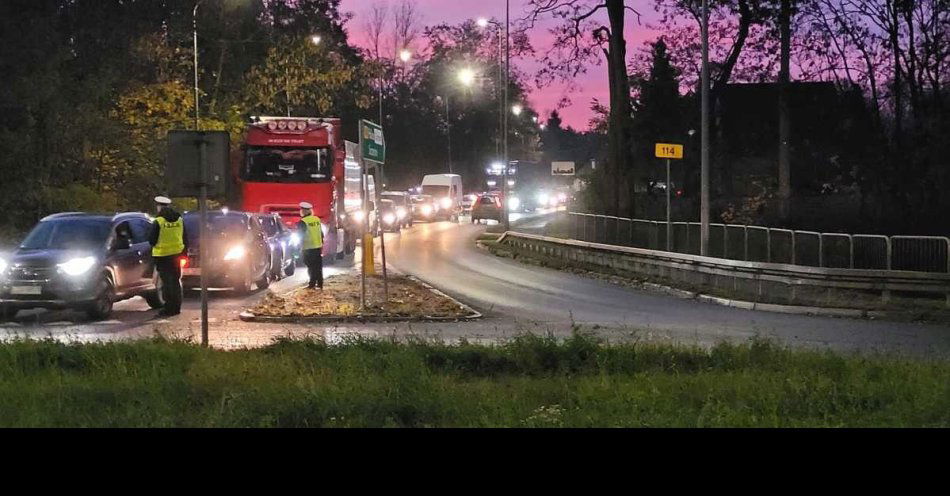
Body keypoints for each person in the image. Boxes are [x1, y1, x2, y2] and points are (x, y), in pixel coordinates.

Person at [149, 196, 188, 316]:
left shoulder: (158, 221)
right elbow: (185, 237)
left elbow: (152, 240)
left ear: (159, 207)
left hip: (162, 256)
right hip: (177, 255)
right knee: (176, 282)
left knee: (166, 283)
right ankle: (177, 307)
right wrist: (184, 253)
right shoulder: (179, 219)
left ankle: (168, 308)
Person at [297, 201, 324, 290]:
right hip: (318, 246)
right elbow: (321, 233)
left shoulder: (303, 222)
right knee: (318, 266)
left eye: (301, 210)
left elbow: (300, 236)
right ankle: (320, 283)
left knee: (311, 266)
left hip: (308, 247)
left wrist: (298, 247)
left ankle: (312, 284)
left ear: (303, 211)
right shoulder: (316, 219)